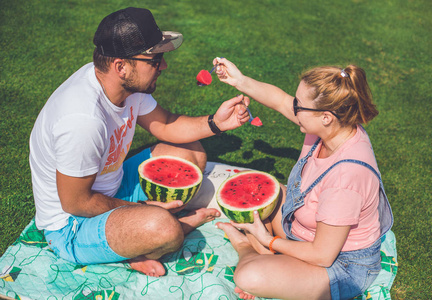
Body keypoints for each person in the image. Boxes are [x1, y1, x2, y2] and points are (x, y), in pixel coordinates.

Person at [29, 7, 250, 277]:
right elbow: (77, 203)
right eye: (155, 60)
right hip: (71, 226)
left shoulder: (124, 85)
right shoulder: (82, 120)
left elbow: (167, 124)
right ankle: (147, 239)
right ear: (121, 66)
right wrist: (143, 209)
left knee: (192, 152)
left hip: (113, 186)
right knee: (163, 228)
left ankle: (136, 235)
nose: (164, 66)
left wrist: (217, 123)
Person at [214, 58, 394, 299]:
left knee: (249, 276)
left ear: (326, 116)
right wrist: (239, 80)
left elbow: (323, 255)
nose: (294, 108)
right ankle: (273, 260)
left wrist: (267, 240)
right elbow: (278, 100)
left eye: (299, 105)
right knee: (263, 188)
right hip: (301, 232)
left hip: (341, 266)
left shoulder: (346, 177)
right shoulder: (331, 127)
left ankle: (247, 247)